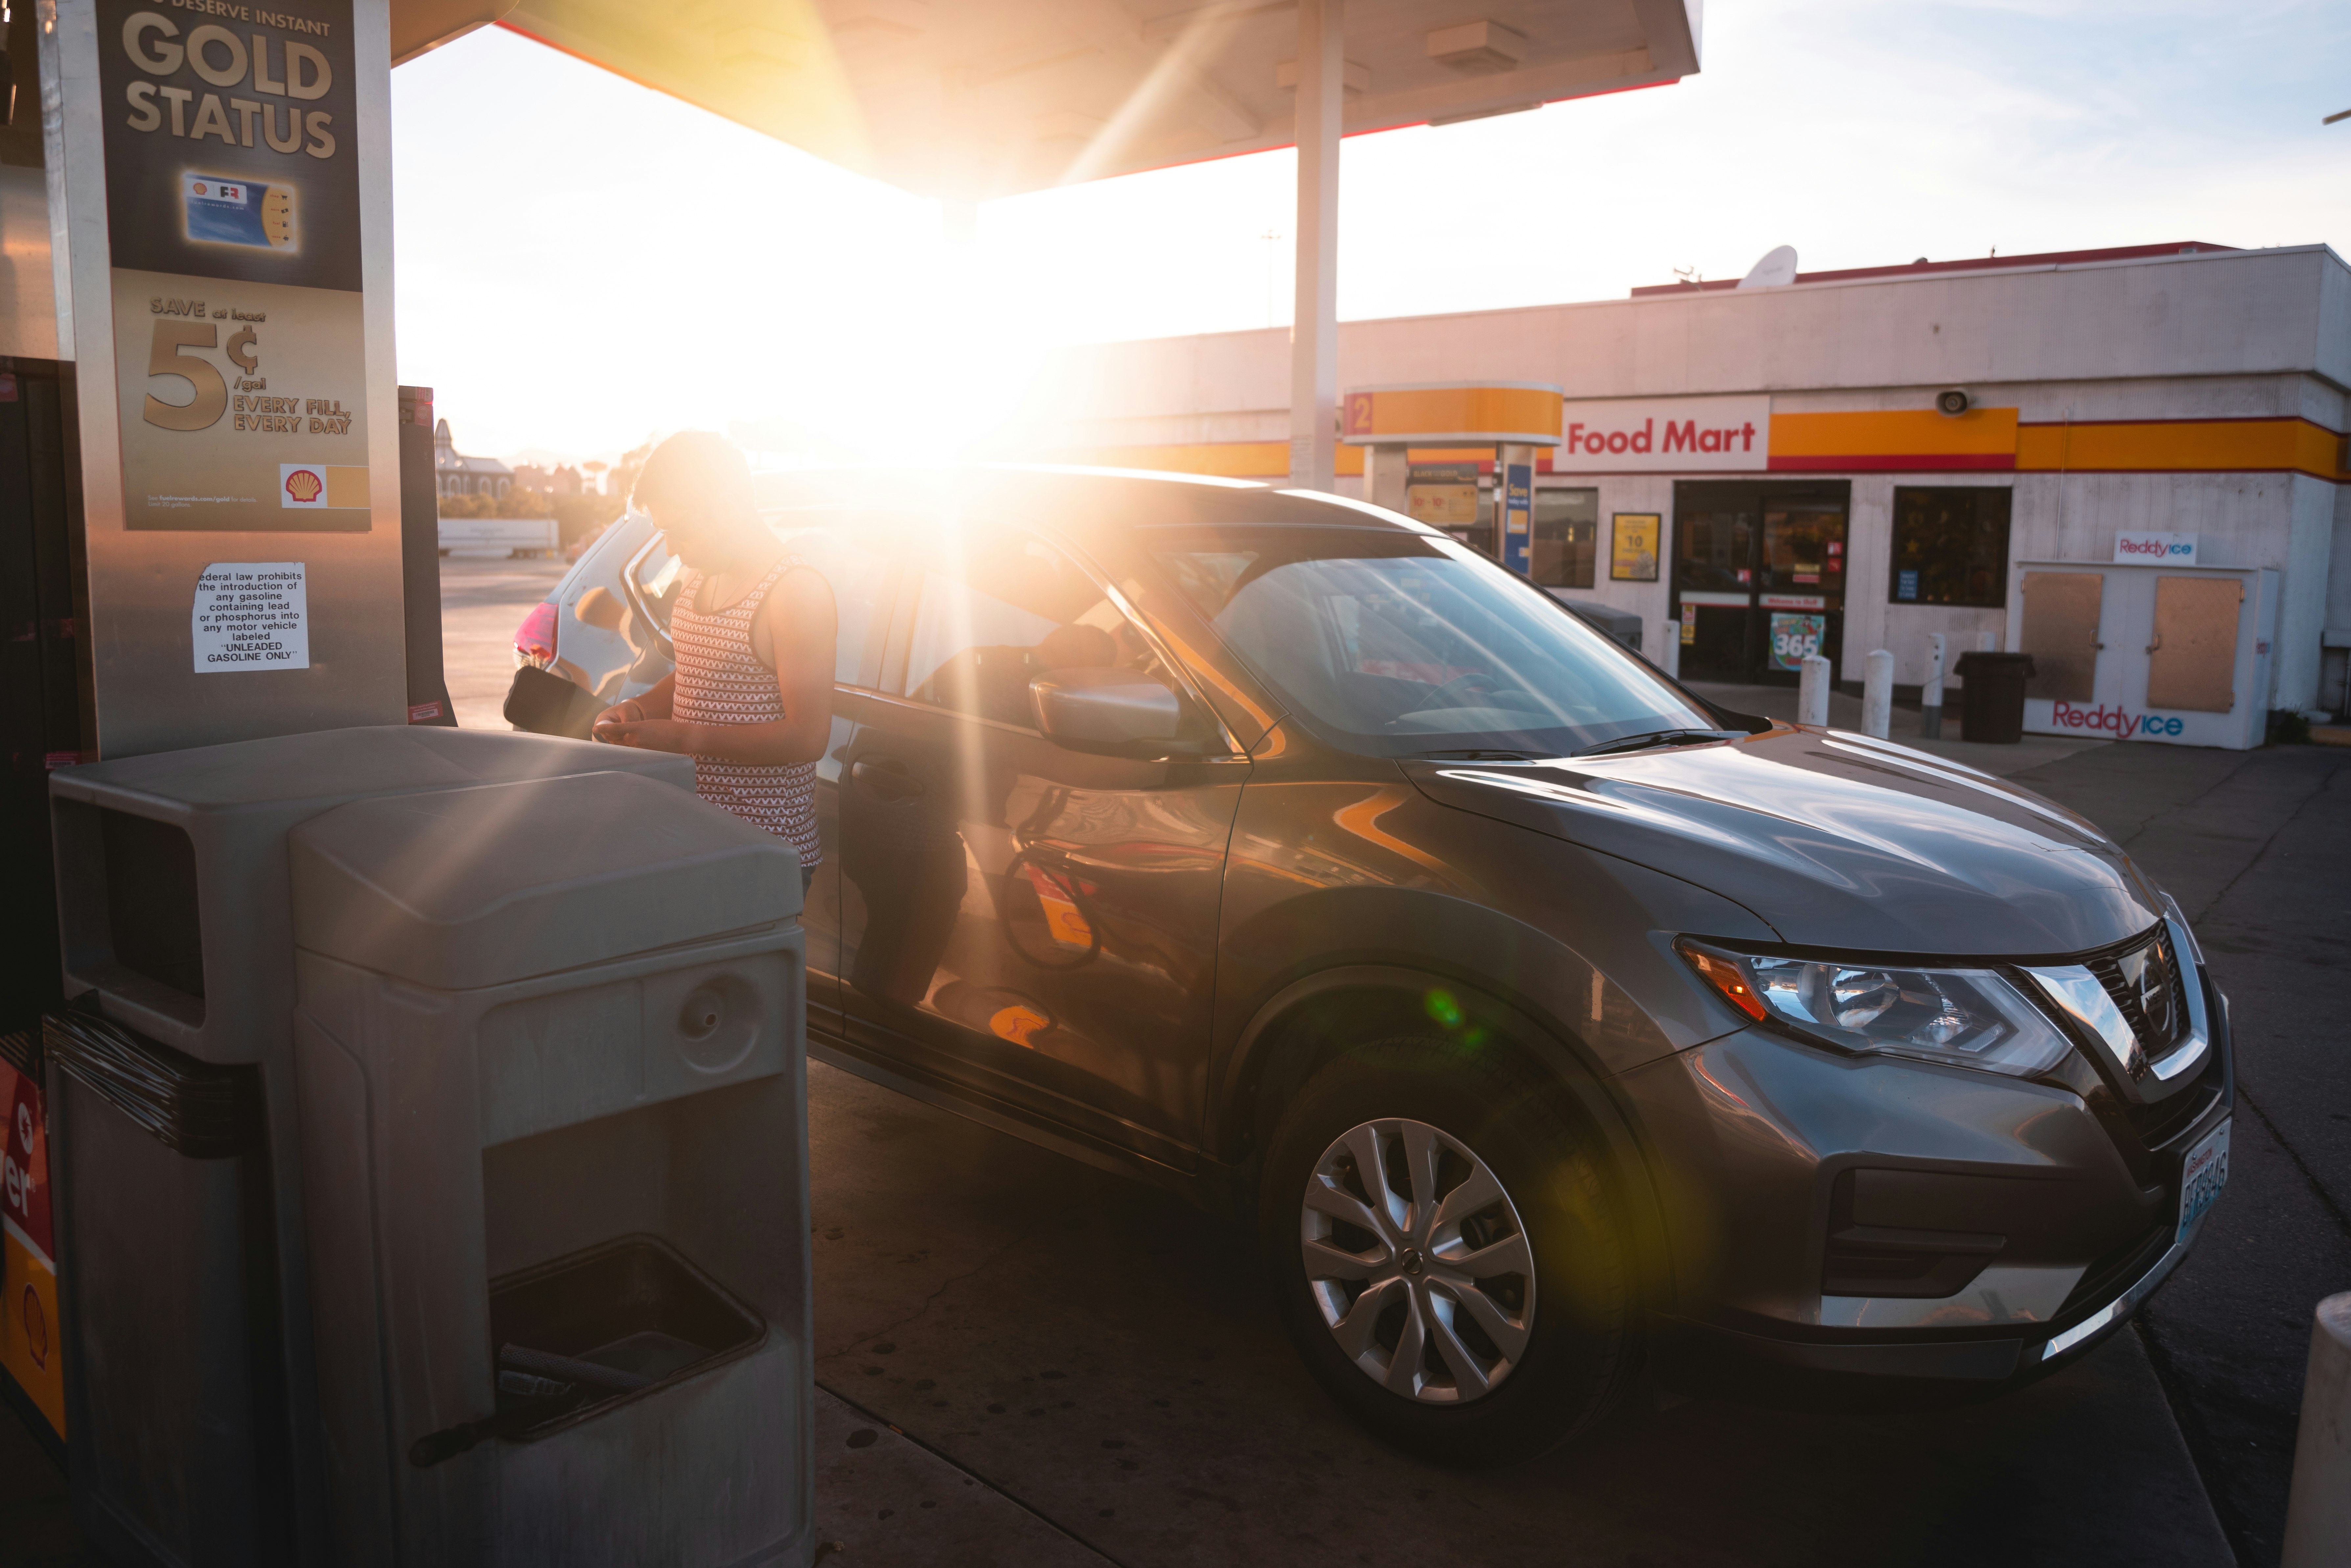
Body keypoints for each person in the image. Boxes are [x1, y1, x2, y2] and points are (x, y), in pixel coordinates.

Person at [591, 432, 835, 894]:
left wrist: (683, 737)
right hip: (693, 833)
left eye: (677, 531)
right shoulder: (701, 574)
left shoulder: (795, 593)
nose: (670, 549)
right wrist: (642, 709)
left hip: (759, 849)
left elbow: (808, 737)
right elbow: (704, 671)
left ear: (727, 505)